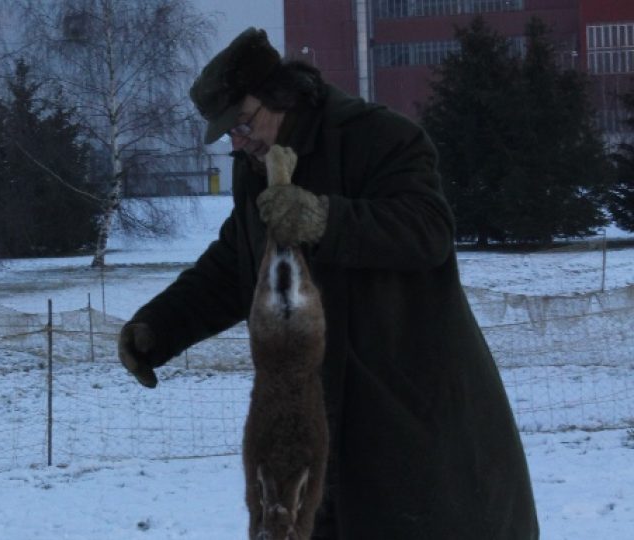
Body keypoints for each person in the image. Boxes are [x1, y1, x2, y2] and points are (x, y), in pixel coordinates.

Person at [117, 27, 539, 539]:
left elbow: (428, 230)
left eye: (243, 123)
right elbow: (236, 264)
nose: (239, 141)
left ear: (280, 95)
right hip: (316, 433)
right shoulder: (257, 171)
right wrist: (159, 328)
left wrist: (322, 219)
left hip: (408, 417)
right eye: (229, 133)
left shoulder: (376, 136)